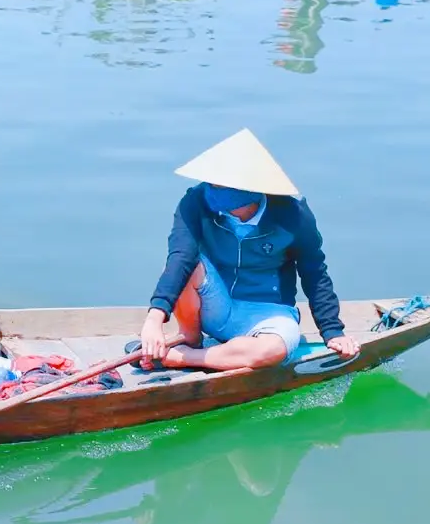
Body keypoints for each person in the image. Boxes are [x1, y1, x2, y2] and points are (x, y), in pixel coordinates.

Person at [137, 129, 358, 373]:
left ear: (251, 188)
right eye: (210, 182)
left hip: (268, 315)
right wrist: (155, 318)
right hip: (215, 305)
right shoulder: (195, 202)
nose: (210, 189)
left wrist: (332, 331)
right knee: (189, 266)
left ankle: (187, 357)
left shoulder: (293, 216)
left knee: (271, 350)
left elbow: (314, 273)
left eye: (220, 185)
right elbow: (181, 258)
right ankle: (190, 338)